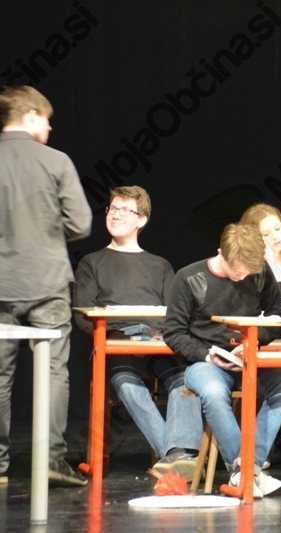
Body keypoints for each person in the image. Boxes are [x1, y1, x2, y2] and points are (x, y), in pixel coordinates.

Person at [73, 185, 202, 477]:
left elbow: (176, 312)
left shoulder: (160, 266)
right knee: (128, 384)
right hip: (118, 340)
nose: (115, 215)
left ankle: (178, 455)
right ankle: (177, 457)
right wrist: (115, 334)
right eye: (112, 208)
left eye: (124, 210)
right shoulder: (91, 263)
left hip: (158, 339)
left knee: (186, 379)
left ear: (141, 219)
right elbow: (83, 317)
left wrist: (159, 334)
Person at [0, 86, 92, 487]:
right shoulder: (56, 161)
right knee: (53, 370)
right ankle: (51, 459)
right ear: (31, 115)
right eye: (47, 119)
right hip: (48, 281)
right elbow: (81, 224)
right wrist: (47, 236)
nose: (51, 127)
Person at [164, 223, 281, 498]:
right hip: (206, 362)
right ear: (221, 252)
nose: (242, 276)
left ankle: (248, 468)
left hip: (248, 358)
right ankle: (242, 471)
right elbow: (174, 333)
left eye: (248, 272)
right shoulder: (189, 278)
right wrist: (206, 354)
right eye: (237, 271)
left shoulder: (259, 272)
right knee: (213, 392)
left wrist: (254, 342)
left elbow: (276, 317)